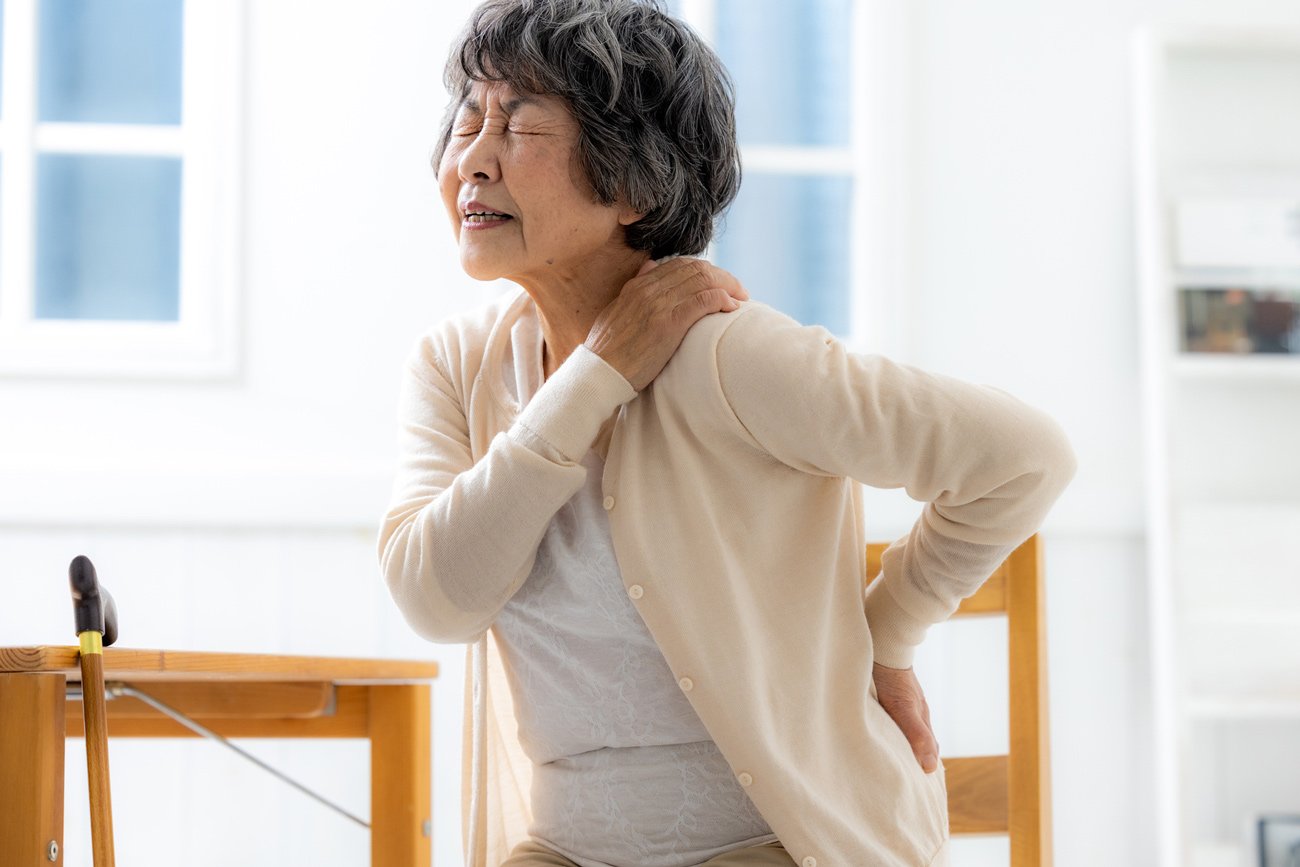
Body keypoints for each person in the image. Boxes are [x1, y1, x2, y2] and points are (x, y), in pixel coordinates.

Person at [376, 1, 1078, 865]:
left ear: (633, 182)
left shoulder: (726, 355)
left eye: (518, 123)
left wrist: (883, 636)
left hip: (775, 842)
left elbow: (1024, 458)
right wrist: (595, 377)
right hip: (564, 847)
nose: (472, 159)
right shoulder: (455, 366)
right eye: (469, 120)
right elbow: (435, 597)